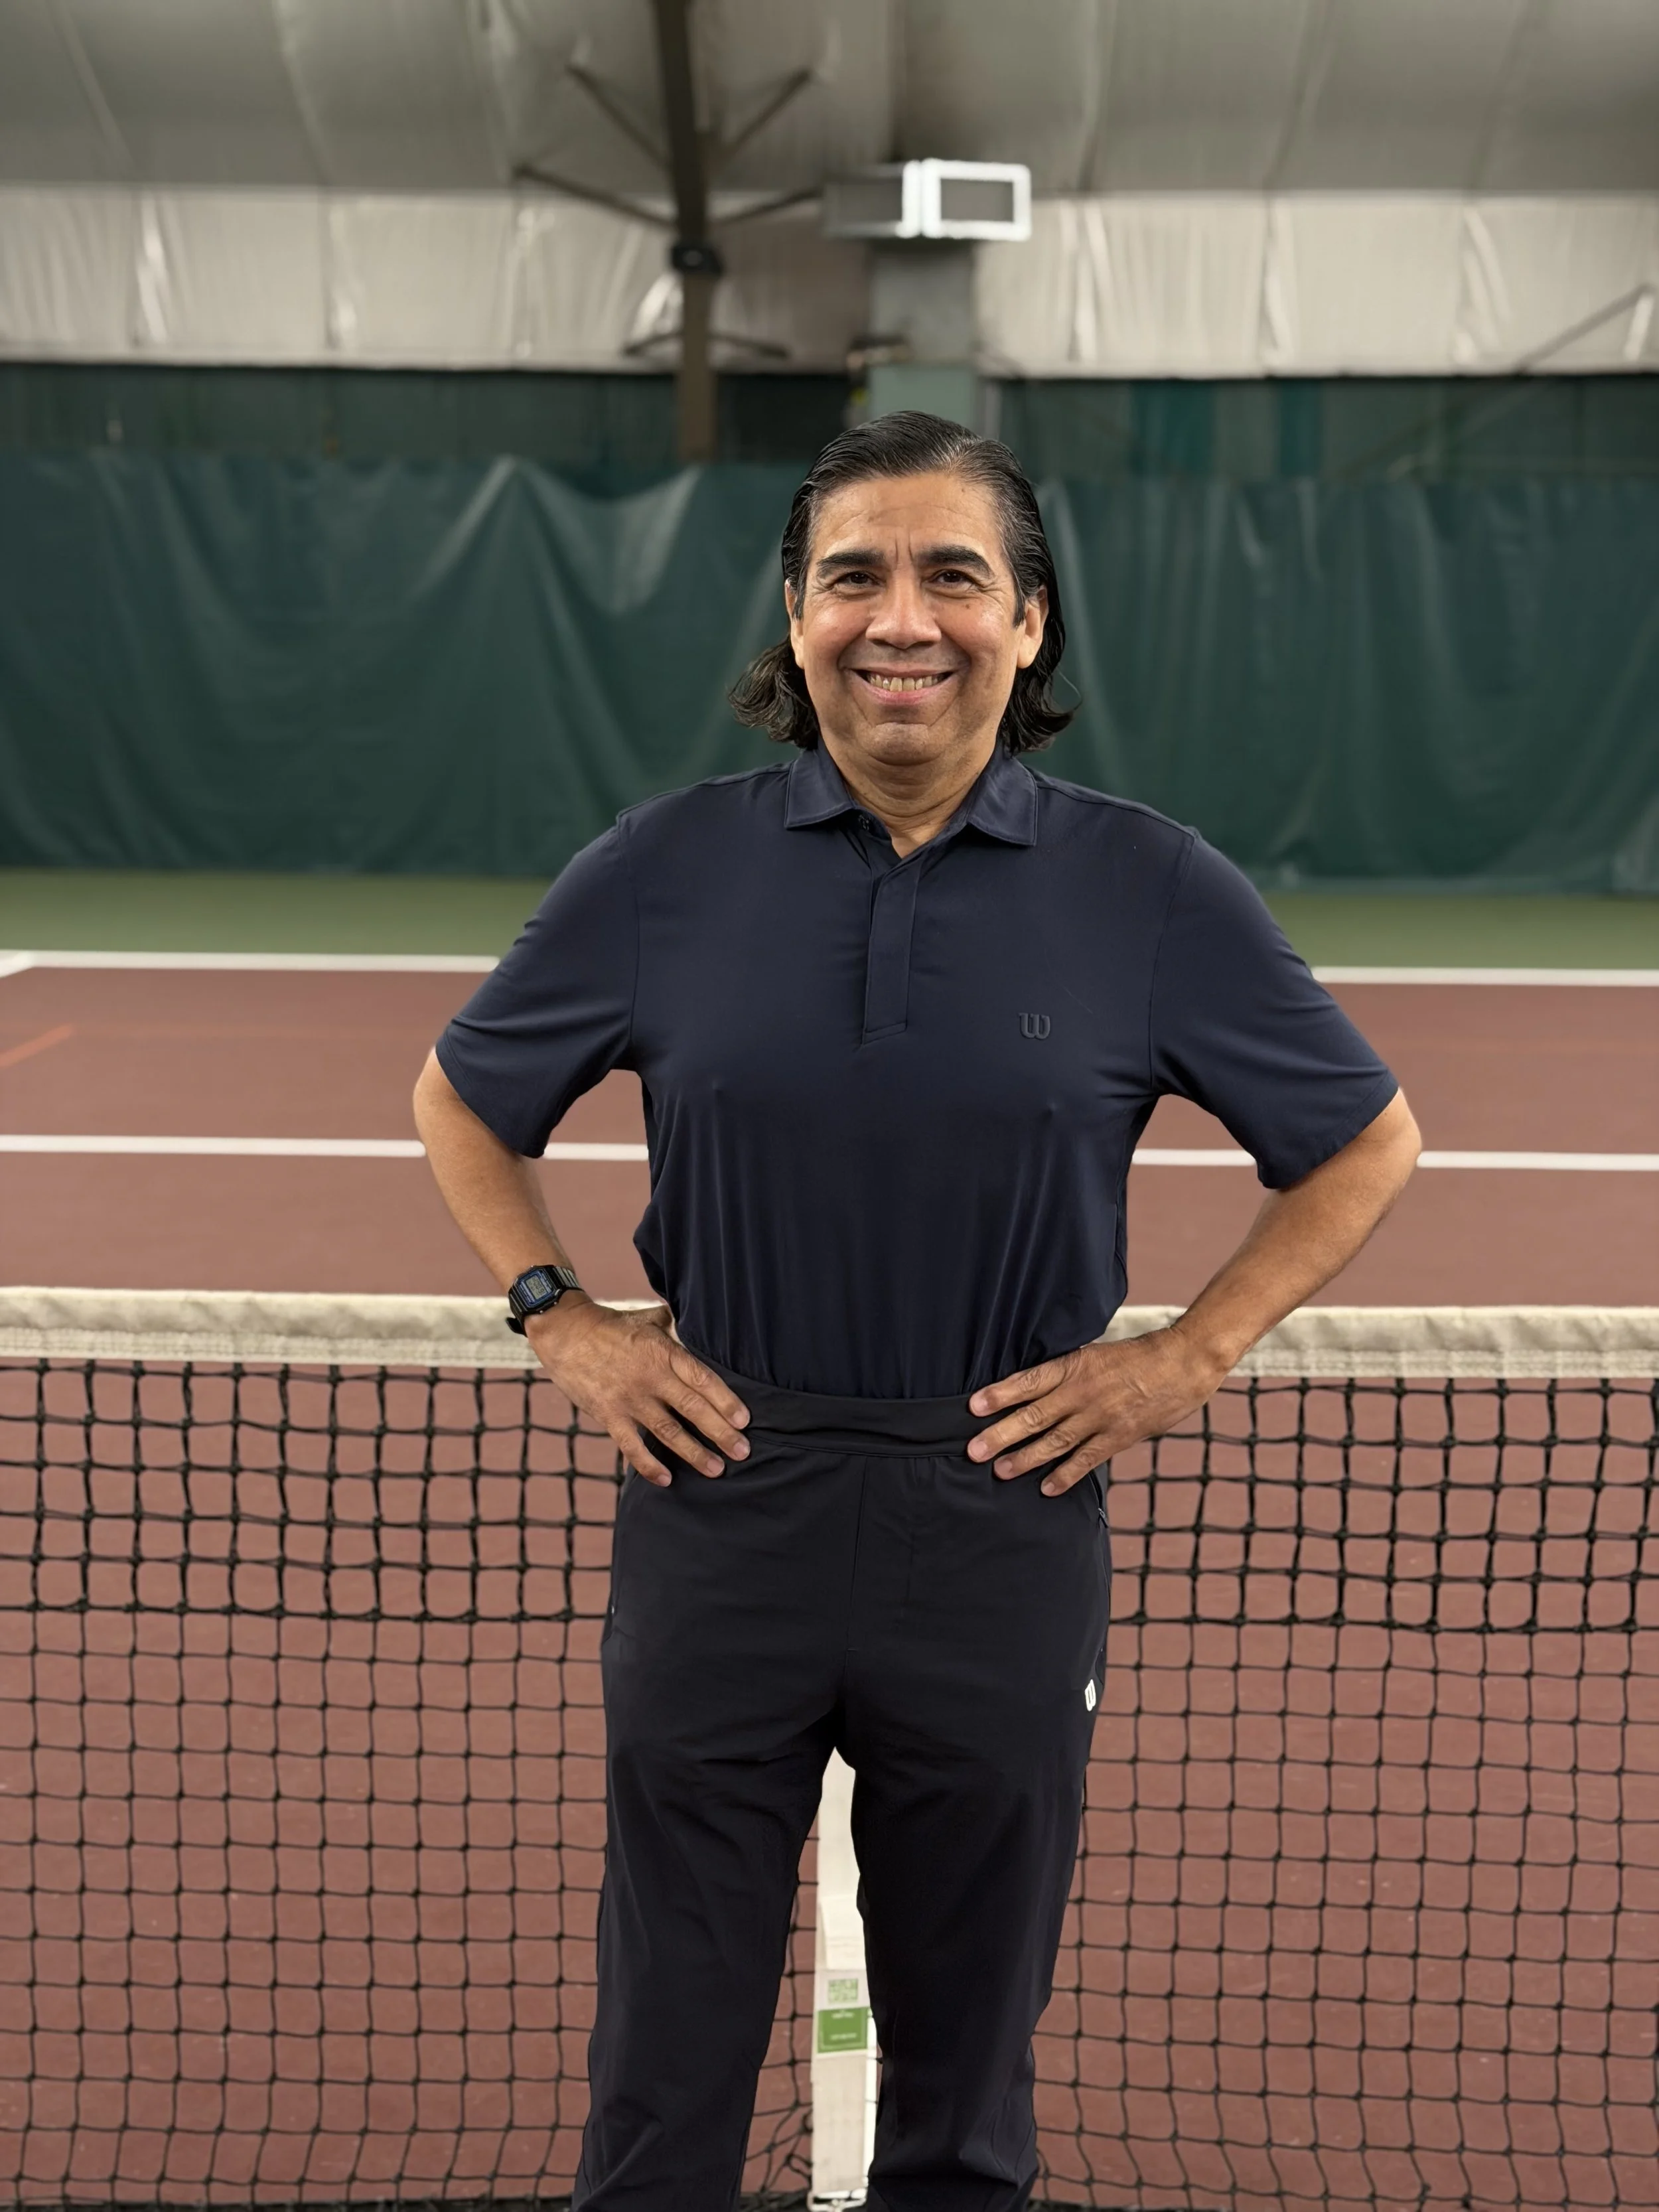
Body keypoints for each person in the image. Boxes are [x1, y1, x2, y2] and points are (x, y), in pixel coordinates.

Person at [413, 411, 1420, 2212]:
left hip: (998, 1513)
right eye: (849, 576)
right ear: (793, 622)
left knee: (962, 2069)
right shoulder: (661, 867)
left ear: (1026, 622)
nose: (900, 618)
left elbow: (1361, 1141)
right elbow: (462, 1098)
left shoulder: (1151, 886)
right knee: (665, 2059)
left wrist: (1184, 1356)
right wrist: (560, 1313)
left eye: (951, 573)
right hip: (723, 1496)